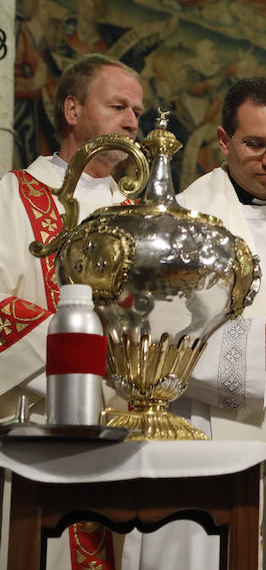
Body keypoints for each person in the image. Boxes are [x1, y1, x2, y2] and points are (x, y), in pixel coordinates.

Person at [123, 76, 266, 570]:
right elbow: (149, 340)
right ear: (224, 141)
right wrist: (251, 346)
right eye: (255, 144)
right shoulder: (184, 221)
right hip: (205, 429)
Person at [0, 53, 144, 569]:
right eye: (118, 106)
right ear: (72, 109)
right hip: (38, 423)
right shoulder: (15, 198)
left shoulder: (139, 219)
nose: (132, 122)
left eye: (137, 112)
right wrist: (80, 364)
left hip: (127, 431)